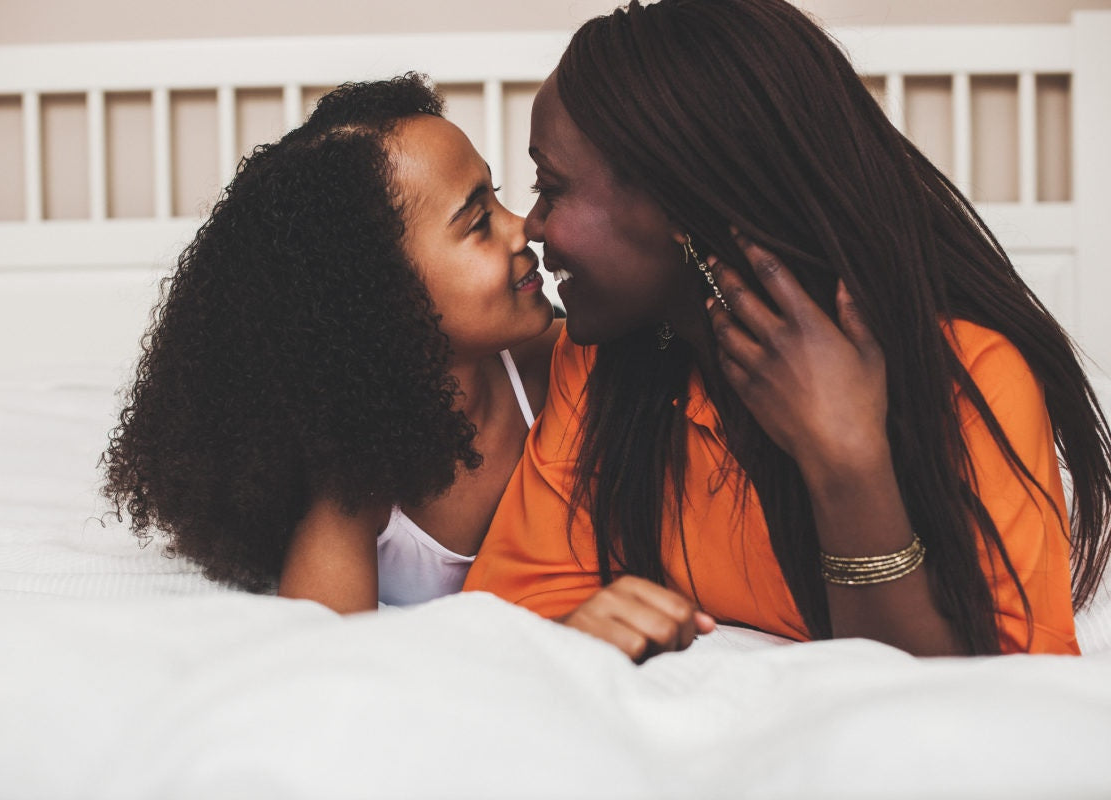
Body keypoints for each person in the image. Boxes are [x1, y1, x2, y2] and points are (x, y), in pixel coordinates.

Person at [464, 0, 1111, 658]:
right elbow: (511, 618)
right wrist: (579, 637)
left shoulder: (971, 374)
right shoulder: (603, 365)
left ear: (681, 202)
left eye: (553, 186)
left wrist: (848, 462)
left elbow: (997, 706)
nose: (533, 223)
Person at [103, 74, 561, 612]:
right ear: (383, 294)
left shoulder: (557, 362)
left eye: (498, 198)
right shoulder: (355, 496)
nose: (522, 229)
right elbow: (325, 659)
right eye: (479, 221)